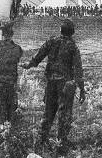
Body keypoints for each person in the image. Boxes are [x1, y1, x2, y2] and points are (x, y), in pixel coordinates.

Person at [24, 18, 85, 150]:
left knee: (48, 113)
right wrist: (82, 90)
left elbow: (37, 57)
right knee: (64, 115)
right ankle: (61, 144)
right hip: (65, 85)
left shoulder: (51, 41)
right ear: (72, 33)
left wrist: (28, 65)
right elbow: (78, 70)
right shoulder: (73, 47)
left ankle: (41, 142)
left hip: (51, 83)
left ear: (60, 30)